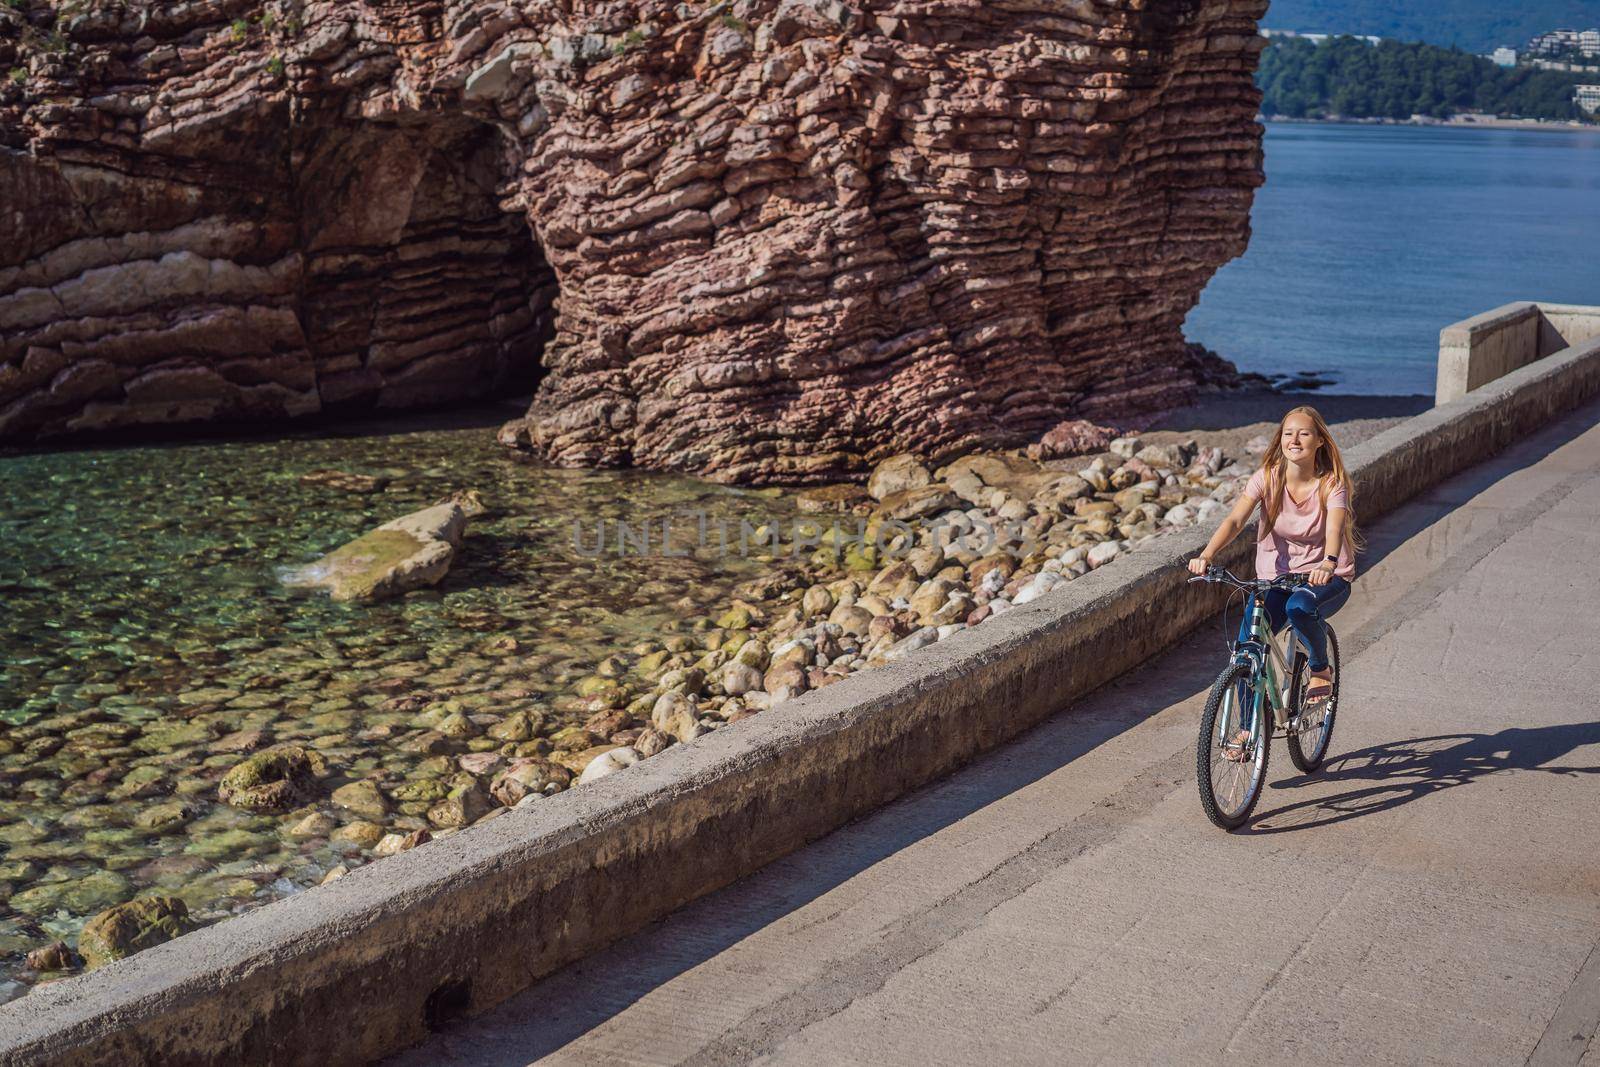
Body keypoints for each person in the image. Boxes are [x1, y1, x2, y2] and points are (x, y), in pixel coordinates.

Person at [1187, 406, 1361, 732]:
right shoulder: (1267, 478)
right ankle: (1246, 730)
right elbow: (1235, 520)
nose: (1294, 440)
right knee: (1246, 651)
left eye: (1304, 433)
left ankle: (1321, 669)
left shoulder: (1330, 486)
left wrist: (1329, 562)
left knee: (1300, 607)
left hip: (1325, 577)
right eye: (1288, 433)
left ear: (1320, 441)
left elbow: (1335, 530)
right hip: (1274, 580)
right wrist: (1207, 554)